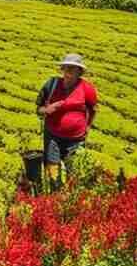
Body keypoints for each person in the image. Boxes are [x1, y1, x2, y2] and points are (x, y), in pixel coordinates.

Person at [36, 53, 98, 185]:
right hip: (52, 137)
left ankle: (69, 194)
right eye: (66, 67)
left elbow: (93, 109)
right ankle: (54, 191)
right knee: (52, 169)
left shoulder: (87, 88)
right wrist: (47, 109)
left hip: (76, 139)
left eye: (72, 67)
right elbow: (38, 109)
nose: (68, 70)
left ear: (79, 71)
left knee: (74, 171)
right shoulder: (51, 85)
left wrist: (87, 127)